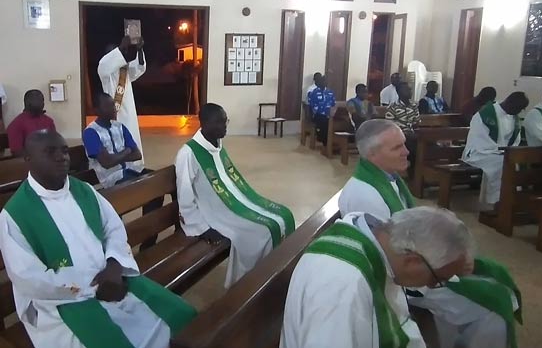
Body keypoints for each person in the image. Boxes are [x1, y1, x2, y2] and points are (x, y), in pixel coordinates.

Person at [0, 130, 197, 348]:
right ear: (28, 159)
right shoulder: (15, 215)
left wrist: (114, 266)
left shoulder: (84, 190)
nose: (61, 157)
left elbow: (113, 228)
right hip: (60, 300)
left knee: (181, 320)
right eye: (50, 151)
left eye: (64, 151)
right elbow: (29, 278)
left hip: (110, 278)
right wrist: (89, 287)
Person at [337, 119, 522, 348]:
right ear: (372, 154)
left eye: (404, 144)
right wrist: (447, 268)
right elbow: (391, 260)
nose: (407, 152)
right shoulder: (365, 195)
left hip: (413, 265)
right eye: (397, 147)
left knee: (492, 278)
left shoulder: (387, 178)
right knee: (492, 305)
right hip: (406, 283)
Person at [281, 207, 478, 348]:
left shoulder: (377, 241)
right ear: (412, 261)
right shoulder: (342, 287)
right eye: (436, 279)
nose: (432, 285)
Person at [175, 104, 295, 288]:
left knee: (284, 216)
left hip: (232, 203)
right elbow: (184, 197)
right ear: (205, 123)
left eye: (226, 121)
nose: (225, 126)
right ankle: (249, 286)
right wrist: (202, 228)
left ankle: (276, 276)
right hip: (214, 214)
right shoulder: (189, 153)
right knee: (263, 231)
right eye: (219, 122)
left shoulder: (217, 145)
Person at [462, 92, 529, 208]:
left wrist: (508, 151)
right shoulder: (485, 114)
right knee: (504, 163)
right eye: (518, 108)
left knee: (516, 161)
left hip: (500, 153)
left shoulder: (514, 117)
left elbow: (515, 141)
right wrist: (501, 151)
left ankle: (513, 199)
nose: (518, 112)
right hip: (479, 153)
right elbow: (479, 140)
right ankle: (496, 201)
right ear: (509, 102)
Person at [98, 35, 146, 172]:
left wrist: (140, 50)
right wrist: (121, 47)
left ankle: (134, 170)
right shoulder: (104, 71)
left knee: (131, 141)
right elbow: (105, 64)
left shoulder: (124, 71)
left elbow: (139, 69)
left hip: (128, 114)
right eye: (115, 52)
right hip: (113, 114)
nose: (120, 54)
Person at [83, 92, 143, 188]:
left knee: (157, 180)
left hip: (131, 172)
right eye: (107, 106)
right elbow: (107, 163)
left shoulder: (120, 127)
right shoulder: (91, 132)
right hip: (111, 179)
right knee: (143, 186)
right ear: (97, 110)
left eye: (113, 105)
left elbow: (137, 155)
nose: (113, 109)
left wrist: (114, 157)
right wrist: (127, 151)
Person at [7, 89, 55, 156]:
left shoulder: (48, 121)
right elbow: (17, 152)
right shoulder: (16, 125)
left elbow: (55, 143)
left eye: (43, 100)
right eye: (40, 100)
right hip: (30, 160)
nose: (43, 103)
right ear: (28, 103)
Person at [308, 75, 336, 144]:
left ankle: (334, 141)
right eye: (322, 81)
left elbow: (333, 104)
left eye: (325, 81)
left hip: (329, 114)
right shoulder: (314, 92)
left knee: (338, 121)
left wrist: (331, 113)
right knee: (324, 121)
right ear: (319, 82)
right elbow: (312, 106)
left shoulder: (330, 92)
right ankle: (325, 142)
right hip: (318, 115)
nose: (324, 82)